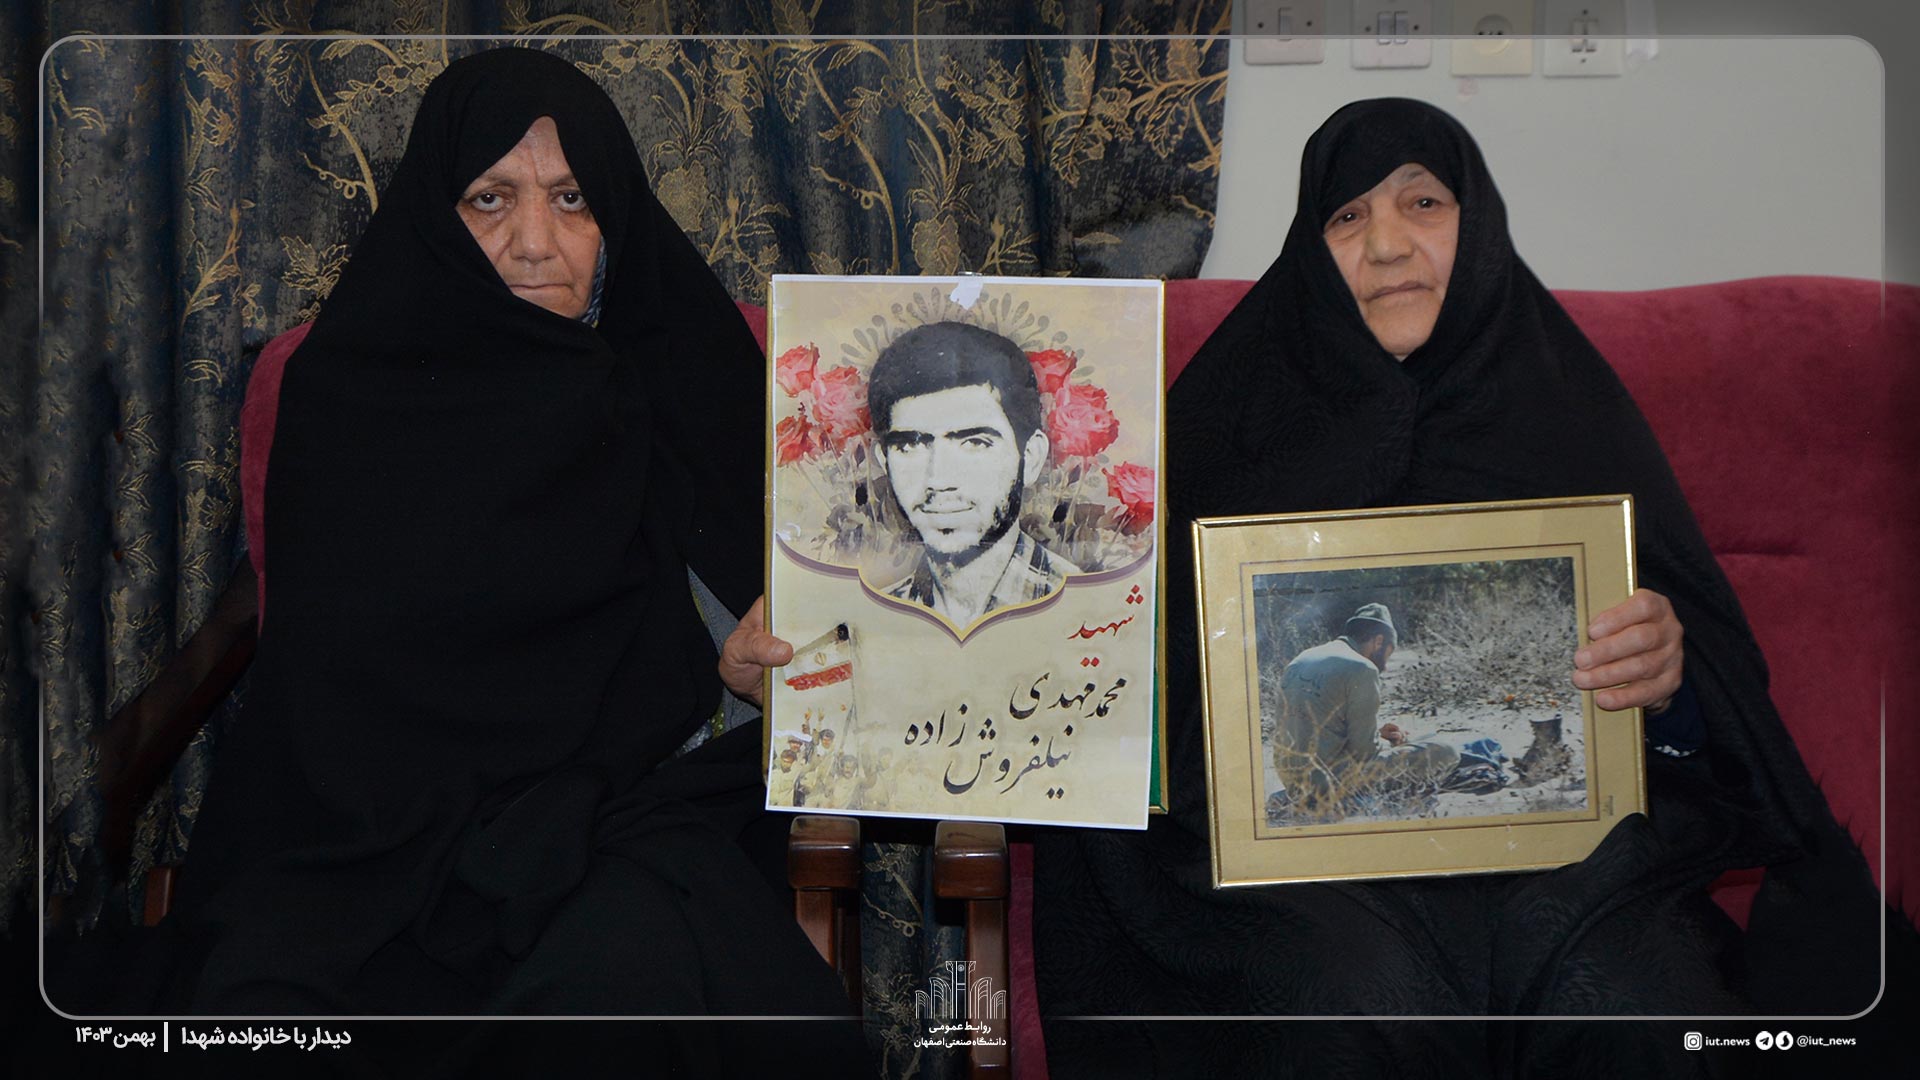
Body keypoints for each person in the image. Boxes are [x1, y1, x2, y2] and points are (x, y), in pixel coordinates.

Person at [1030, 98, 1891, 1077]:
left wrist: (1668, 683)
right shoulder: (1222, 424)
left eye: (1423, 203)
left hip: (1574, 873)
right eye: (1346, 216)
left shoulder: (1569, 412)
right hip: (1304, 889)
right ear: (1310, 249)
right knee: (1349, 1007)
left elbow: (1718, 702)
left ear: (1475, 226)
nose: (1386, 244)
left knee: (1641, 1008)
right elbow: (1121, 695)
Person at [82, 48, 872, 1073]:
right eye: (489, 199)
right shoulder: (347, 390)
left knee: (629, 979)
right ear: (433, 213)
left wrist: (743, 676)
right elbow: (325, 695)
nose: (534, 243)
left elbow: (755, 655)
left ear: (616, 216)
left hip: (604, 824)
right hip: (356, 844)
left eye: (572, 199)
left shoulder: (682, 377)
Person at [867, 320, 1081, 627]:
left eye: (975, 443)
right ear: (884, 462)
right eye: (909, 446)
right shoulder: (878, 617)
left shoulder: (1086, 605)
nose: (939, 480)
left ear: (1031, 458)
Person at [1272, 603, 1458, 813]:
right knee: (1445, 750)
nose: (1385, 665)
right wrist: (1395, 746)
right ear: (1379, 641)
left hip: (1292, 780)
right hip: (1329, 783)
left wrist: (1380, 737)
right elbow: (1364, 753)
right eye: (1389, 653)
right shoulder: (1363, 668)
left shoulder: (1302, 659)